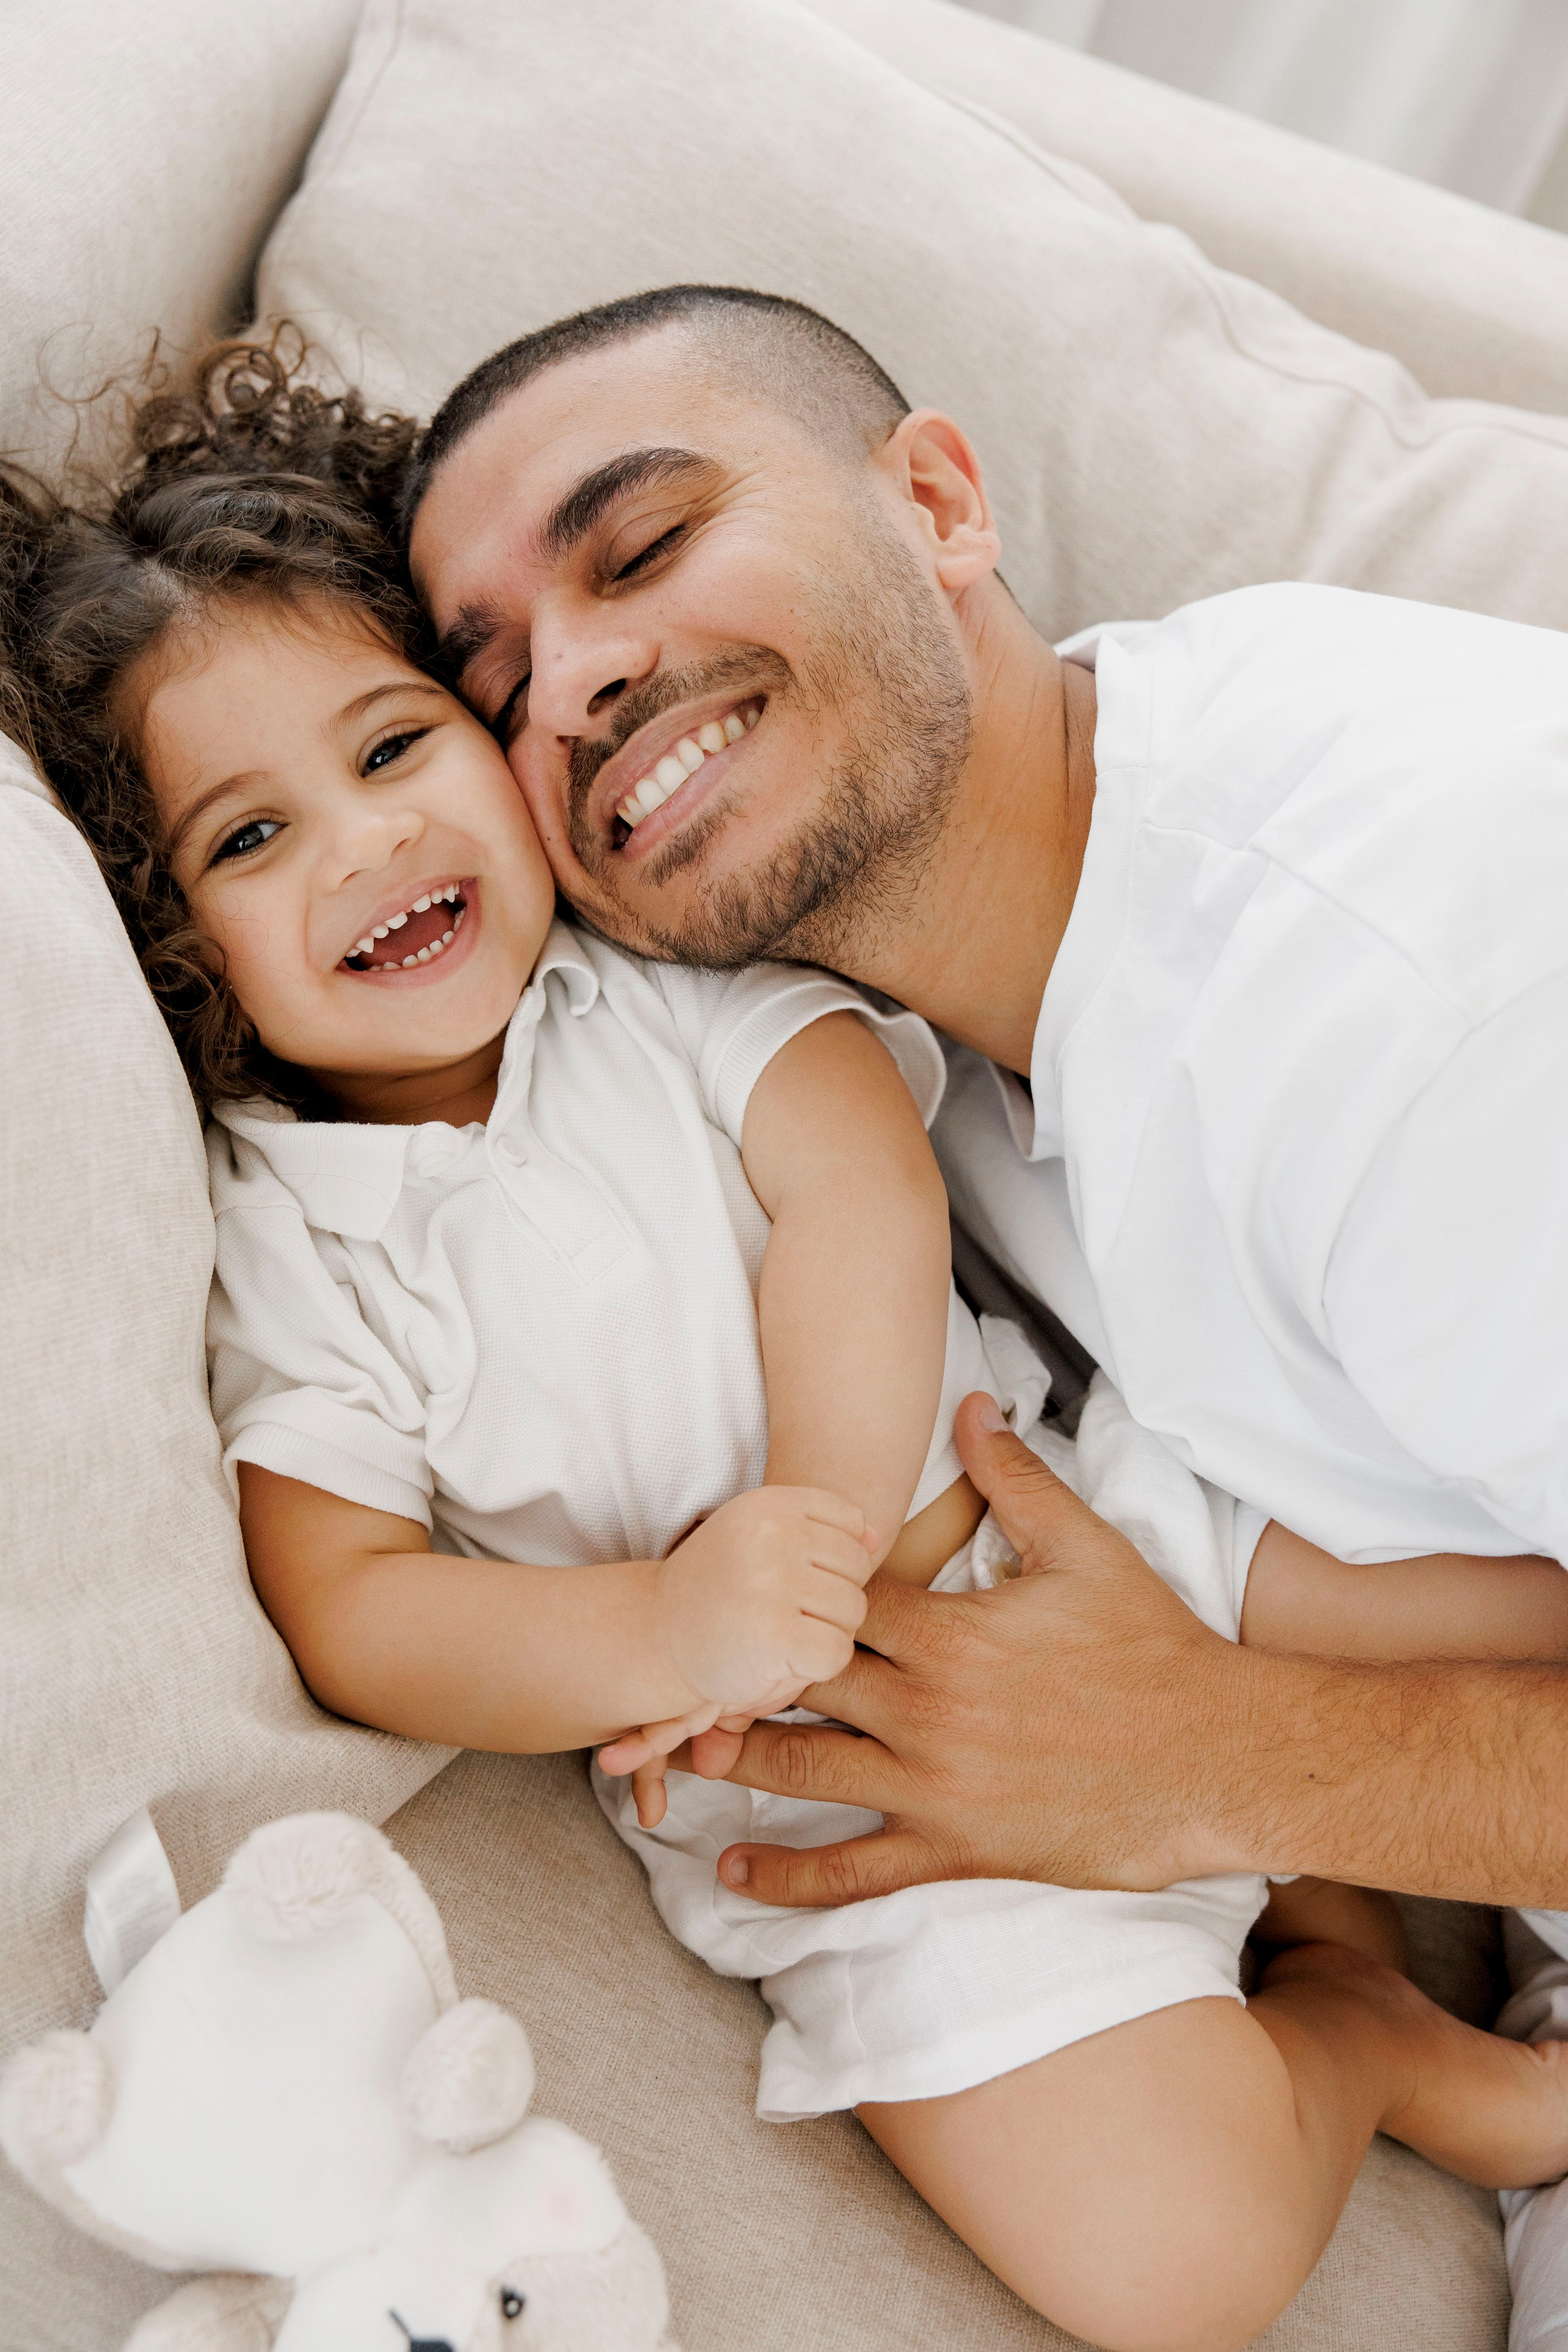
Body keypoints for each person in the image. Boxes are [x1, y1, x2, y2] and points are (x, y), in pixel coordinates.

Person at [11, 345, 1568, 2352]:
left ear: (936, 502)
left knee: (1495, 1613)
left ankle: (1323, 1891)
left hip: (1081, 1507)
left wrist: (831, 1524)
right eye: (250, 842)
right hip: (829, 1795)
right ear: (172, 956)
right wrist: (667, 1634)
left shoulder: (659, 1001)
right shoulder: (302, 1242)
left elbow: (857, 1187)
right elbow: (348, 1601)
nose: (365, 846)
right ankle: (1354, 2031)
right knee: (1174, 2269)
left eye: (400, 747)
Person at [401, 284, 1568, 1935]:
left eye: (646, 544)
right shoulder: (874, 1038)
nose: (576, 682)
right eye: (499, 688)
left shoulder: (1422, 1006)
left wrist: (1203, 1759)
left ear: (938, 505)